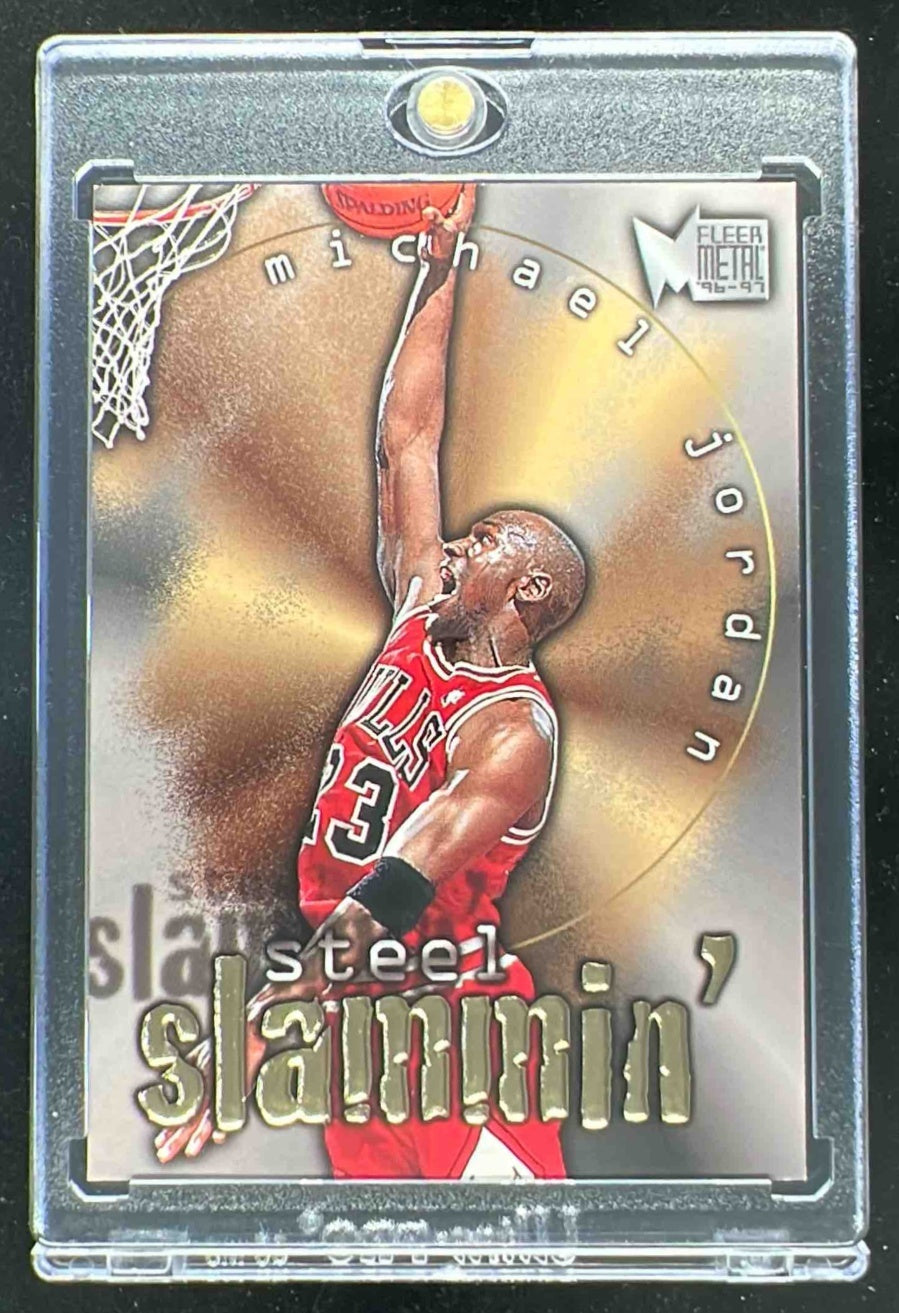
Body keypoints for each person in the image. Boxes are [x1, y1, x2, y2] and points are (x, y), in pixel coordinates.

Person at [155, 182, 586, 1179]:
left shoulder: (510, 735)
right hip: (359, 1019)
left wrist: (268, 1017)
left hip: (454, 1025)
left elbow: (396, 883)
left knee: (507, 1254)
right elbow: (408, 437)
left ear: (523, 591)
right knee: (383, 1250)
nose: (454, 543)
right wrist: (438, 268)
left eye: (483, 541)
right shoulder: (422, 604)